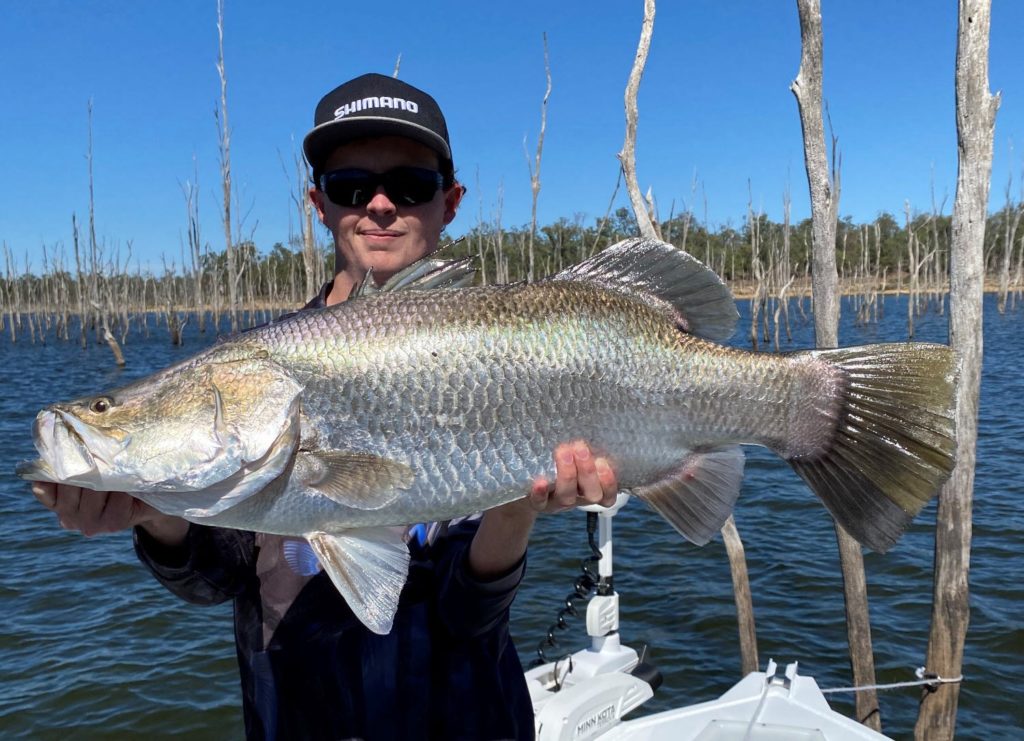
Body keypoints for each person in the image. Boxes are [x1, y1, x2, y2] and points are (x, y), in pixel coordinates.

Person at [31, 73, 618, 740]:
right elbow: (213, 581)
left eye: (411, 185)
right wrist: (156, 516)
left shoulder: (496, 359)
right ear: (317, 202)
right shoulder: (260, 361)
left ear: (450, 202)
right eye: (349, 186)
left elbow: (468, 611)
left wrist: (519, 500)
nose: (379, 205)